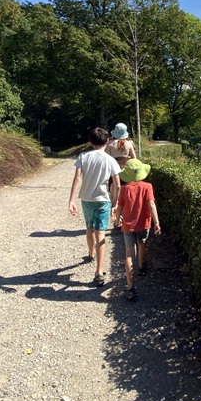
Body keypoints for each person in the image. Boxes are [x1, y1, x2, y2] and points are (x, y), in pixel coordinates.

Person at [68, 127, 121, 286]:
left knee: (89, 228)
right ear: (107, 141)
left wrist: (71, 200)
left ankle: (90, 253)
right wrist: (114, 203)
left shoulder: (83, 156)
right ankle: (99, 270)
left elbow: (77, 179)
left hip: (86, 199)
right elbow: (117, 185)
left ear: (90, 142)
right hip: (103, 200)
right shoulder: (110, 159)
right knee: (101, 234)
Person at [113, 159, 161, 302]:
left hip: (128, 225)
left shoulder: (124, 189)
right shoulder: (147, 186)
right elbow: (151, 204)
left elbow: (119, 207)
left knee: (129, 253)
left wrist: (117, 220)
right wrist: (157, 223)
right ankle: (141, 266)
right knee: (142, 244)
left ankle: (130, 287)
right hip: (144, 224)